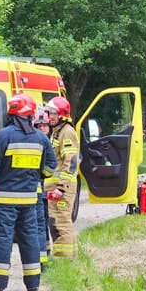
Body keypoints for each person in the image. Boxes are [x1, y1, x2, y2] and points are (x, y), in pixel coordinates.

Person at [0, 94, 56, 291]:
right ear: (30, 114)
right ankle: (33, 282)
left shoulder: (3, 135)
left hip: (4, 198)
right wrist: (34, 175)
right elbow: (50, 168)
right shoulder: (41, 138)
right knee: (29, 237)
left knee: (3, 237)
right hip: (29, 198)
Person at [44, 96, 80, 258]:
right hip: (57, 186)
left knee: (61, 222)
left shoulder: (66, 132)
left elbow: (71, 162)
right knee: (58, 220)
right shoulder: (58, 132)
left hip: (62, 187)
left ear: (62, 115)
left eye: (53, 113)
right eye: (49, 112)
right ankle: (69, 258)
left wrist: (60, 187)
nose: (50, 116)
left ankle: (62, 260)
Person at [33, 107, 52, 269]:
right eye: (39, 126)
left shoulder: (53, 140)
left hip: (51, 187)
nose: (42, 128)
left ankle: (47, 252)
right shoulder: (36, 141)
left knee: (46, 222)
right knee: (41, 222)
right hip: (40, 188)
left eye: (45, 126)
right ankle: (44, 252)